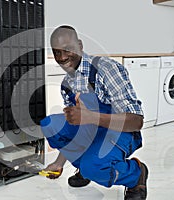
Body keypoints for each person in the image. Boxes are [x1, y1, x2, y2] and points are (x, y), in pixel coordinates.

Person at [40, 25, 149, 200]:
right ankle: (85, 167)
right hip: (91, 130)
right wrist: (58, 163)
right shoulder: (66, 84)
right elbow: (75, 131)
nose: (62, 57)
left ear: (80, 46)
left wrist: (91, 116)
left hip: (121, 131)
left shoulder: (105, 69)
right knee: (50, 125)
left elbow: (136, 121)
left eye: (67, 49)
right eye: (57, 52)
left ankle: (136, 175)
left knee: (96, 167)